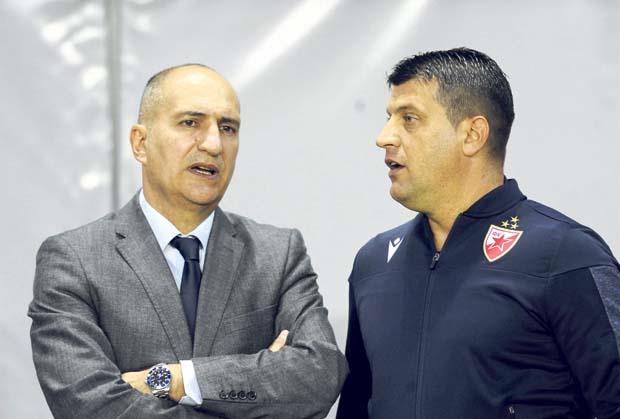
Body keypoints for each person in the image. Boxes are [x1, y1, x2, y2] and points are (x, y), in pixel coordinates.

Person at [29, 63, 347, 419]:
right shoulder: (74, 260)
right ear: (141, 143)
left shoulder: (278, 254)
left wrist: (178, 379)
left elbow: (320, 373)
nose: (213, 144)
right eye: (190, 123)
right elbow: (90, 406)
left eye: (227, 128)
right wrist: (260, 391)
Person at [336, 48, 620, 419]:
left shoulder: (565, 256)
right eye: (388, 118)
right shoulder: (373, 264)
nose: (384, 137)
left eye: (409, 118)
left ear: (472, 135)